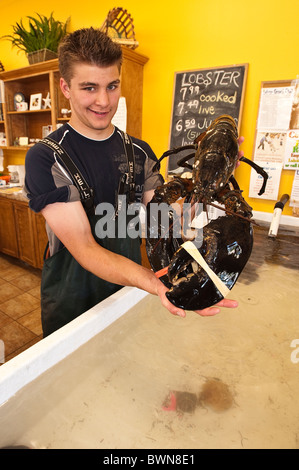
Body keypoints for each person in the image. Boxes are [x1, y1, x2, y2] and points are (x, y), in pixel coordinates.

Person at [24, 27, 238, 337]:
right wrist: (156, 284)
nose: (103, 100)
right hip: (71, 302)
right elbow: (84, 247)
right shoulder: (46, 158)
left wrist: (216, 175)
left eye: (112, 86)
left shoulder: (140, 151)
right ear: (65, 87)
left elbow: (163, 220)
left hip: (126, 289)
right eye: (89, 88)